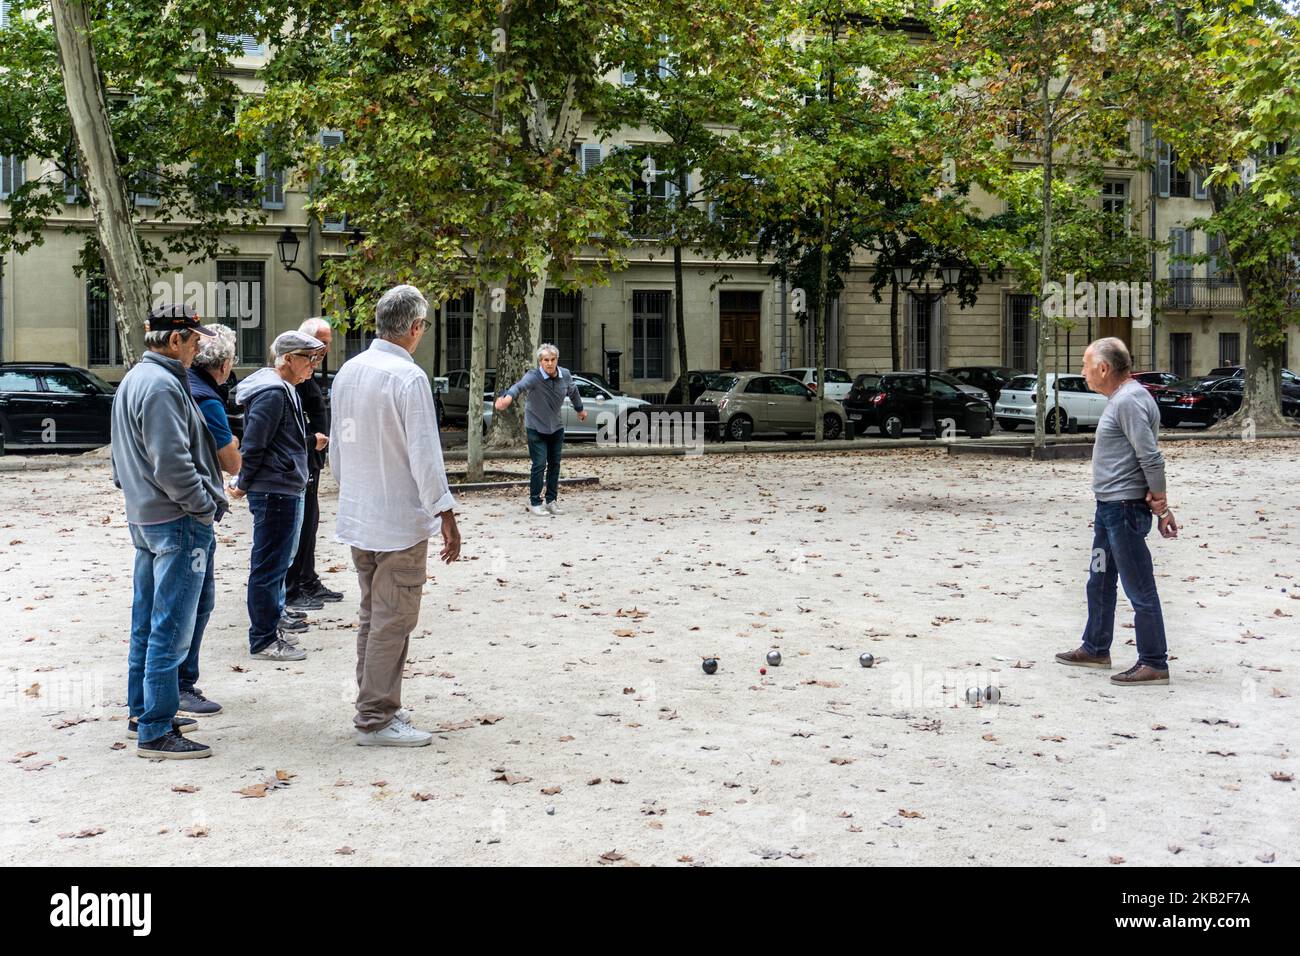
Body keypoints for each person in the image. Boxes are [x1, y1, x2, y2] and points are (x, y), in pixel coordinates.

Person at [330, 284, 461, 747]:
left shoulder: (348, 370)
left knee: (374, 615)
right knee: (393, 619)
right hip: (398, 520)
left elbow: (339, 452)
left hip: (361, 515)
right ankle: (376, 717)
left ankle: (375, 706)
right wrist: (445, 512)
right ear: (414, 328)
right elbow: (426, 455)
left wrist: (356, 494)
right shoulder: (408, 379)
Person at [111, 305, 225, 759]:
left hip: (149, 517)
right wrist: (202, 506)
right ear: (174, 339)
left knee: (149, 620)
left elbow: (122, 458)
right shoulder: (160, 384)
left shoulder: (137, 380)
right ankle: (156, 728)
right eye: (194, 340)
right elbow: (172, 462)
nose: (198, 348)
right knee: (171, 625)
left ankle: (145, 711)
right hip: (175, 520)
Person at [1056, 337, 1178, 685]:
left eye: (1085, 365)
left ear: (1104, 369)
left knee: (1139, 587)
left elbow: (1150, 455)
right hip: (1109, 507)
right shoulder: (1124, 398)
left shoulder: (1128, 400)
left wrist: (1162, 504)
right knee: (1100, 579)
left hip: (1124, 509)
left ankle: (1154, 662)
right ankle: (1095, 647)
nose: (1082, 372)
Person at [230, 330, 326, 662]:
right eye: (309, 358)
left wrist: (307, 443)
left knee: (278, 562)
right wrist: (243, 482)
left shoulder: (286, 390)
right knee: (269, 565)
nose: (314, 365)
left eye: (317, 358)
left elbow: (276, 439)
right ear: (287, 360)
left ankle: (271, 626)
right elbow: (254, 443)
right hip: (275, 490)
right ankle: (263, 639)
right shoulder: (273, 393)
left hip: (284, 486)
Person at [176, 323, 241, 718]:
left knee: (175, 602)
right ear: (224, 364)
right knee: (197, 601)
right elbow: (230, 461)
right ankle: (183, 684)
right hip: (193, 511)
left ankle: (173, 687)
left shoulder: (179, 385)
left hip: (165, 510)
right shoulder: (208, 399)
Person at [285, 317, 343, 611]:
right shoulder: (295, 373)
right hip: (302, 457)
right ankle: (293, 586)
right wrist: (310, 441)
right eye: (321, 343)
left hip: (314, 458)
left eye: (328, 343)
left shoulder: (311, 370)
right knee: (301, 523)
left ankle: (307, 579)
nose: (325, 349)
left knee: (311, 521)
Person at [494, 344, 585, 517]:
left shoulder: (564, 374)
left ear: (557, 360)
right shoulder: (533, 376)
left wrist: (579, 410)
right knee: (539, 464)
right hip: (535, 426)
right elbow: (518, 387)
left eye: (553, 360)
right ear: (540, 362)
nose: (550, 364)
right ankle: (535, 502)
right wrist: (507, 399)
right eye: (546, 360)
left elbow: (573, 391)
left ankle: (551, 501)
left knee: (555, 464)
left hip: (556, 427)